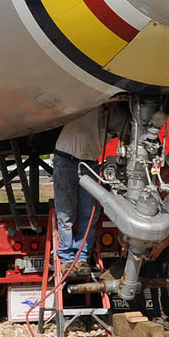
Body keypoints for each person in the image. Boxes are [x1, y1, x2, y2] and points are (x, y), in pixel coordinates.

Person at [136, 149, 169, 331]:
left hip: (164, 240)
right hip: (141, 238)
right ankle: (147, 316)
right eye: (167, 169)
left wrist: (161, 246)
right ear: (161, 167)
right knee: (141, 278)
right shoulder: (145, 186)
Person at [51, 104, 111, 266]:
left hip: (90, 163)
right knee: (66, 212)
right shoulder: (90, 102)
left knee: (89, 213)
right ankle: (69, 257)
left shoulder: (111, 115)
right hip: (66, 159)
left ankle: (82, 257)